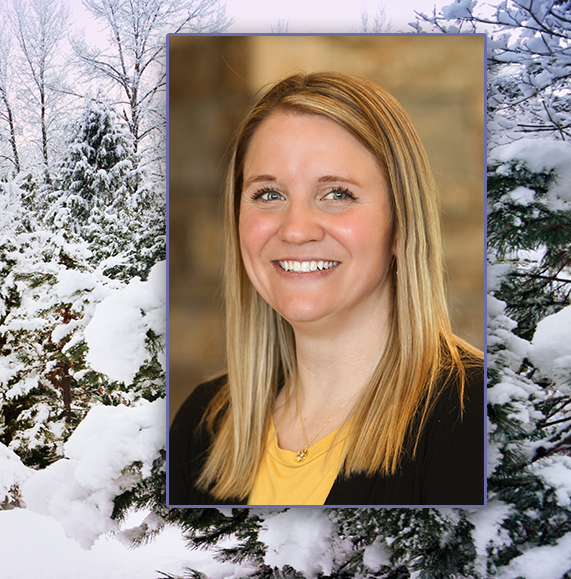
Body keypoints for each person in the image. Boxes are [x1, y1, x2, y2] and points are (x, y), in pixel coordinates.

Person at [168, 71, 484, 506]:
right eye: (267, 194)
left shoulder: (478, 418)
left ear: (401, 224)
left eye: (337, 193)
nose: (296, 230)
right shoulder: (203, 426)